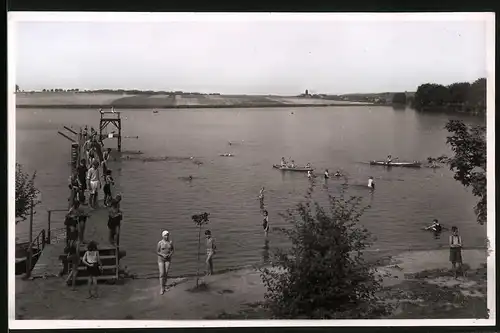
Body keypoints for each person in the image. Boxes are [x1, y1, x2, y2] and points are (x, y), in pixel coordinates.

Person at [157, 230, 174, 295]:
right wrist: (162, 255)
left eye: (167, 235)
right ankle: (162, 288)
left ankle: (164, 285)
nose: (166, 236)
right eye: (165, 235)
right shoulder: (160, 243)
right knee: (161, 273)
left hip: (168, 259)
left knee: (166, 273)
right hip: (161, 259)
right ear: (163, 236)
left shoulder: (170, 242)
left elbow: (172, 250)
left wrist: (170, 254)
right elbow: (157, 251)